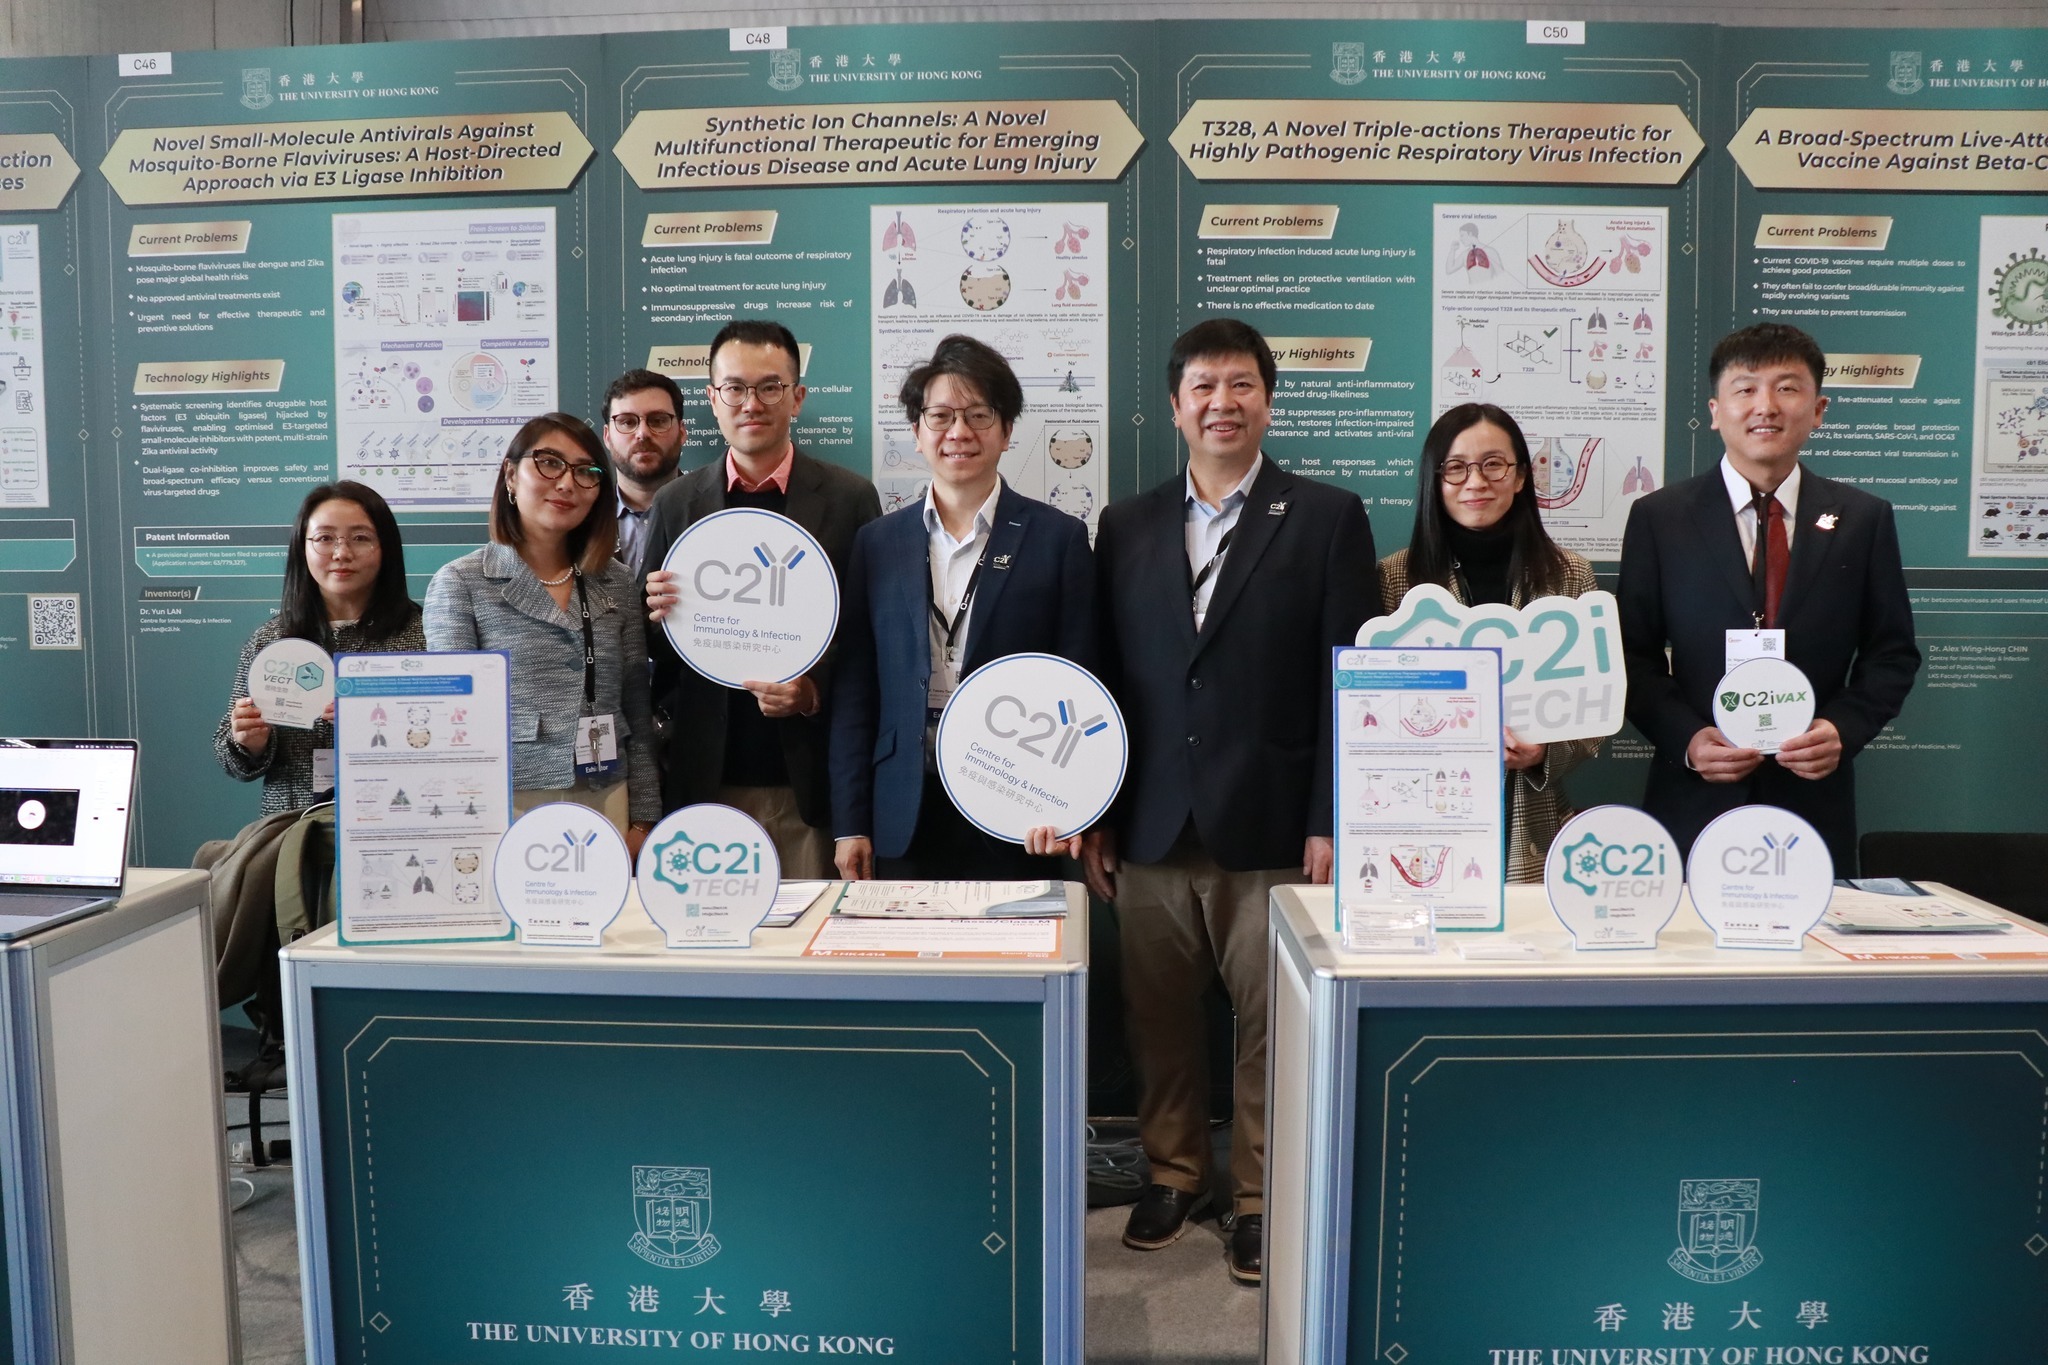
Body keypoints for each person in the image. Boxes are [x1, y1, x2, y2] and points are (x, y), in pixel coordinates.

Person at [1084, 318, 1375, 1284]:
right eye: (1203, 386)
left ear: (1267, 398)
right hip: (1153, 818)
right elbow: (1103, 683)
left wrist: (1331, 814)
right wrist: (1097, 810)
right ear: (1174, 406)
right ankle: (1173, 1175)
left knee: (1268, 1023)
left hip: (1277, 816)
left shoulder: (1328, 516)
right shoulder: (1123, 523)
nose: (1222, 401)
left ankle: (1254, 1194)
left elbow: (1349, 681)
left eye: (1241, 383)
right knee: (1157, 1018)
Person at [1618, 322, 1920, 873]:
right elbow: (1630, 654)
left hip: (1811, 798)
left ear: (1819, 408)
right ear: (1715, 410)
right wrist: (1686, 739)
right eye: (1746, 388)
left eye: (1787, 387)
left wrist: (1840, 731)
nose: (1766, 406)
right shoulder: (1660, 519)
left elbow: (1892, 655)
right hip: (1694, 798)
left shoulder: (1862, 519)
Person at [830, 334, 1096, 881]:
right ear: (917, 432)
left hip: (1021, 807)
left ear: (1006, 432)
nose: (959, 433)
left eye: (979, 415)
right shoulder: (877, 543)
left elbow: (1082, 682)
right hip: (903, 806)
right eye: (941, 416)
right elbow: (856, 690)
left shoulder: (1058, 539)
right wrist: (850, 822)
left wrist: (1071, 804)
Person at [641, 320, 880, 878]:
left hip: (810, 789)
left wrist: (813, 690)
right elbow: (652, 642)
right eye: (735, 389)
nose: (752, 403)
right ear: (713, 401)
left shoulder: (848, 498)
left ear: (796, 397)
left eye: (770, 387)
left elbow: (870, 636)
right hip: (706, 780)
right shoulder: (677, 502)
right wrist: (655, 613)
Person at [1379, 403, 1602, 882]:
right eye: (1456, 468)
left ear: (1521, 476)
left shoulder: (1571, 576)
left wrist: (1546, 751)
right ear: (1434, 481)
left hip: (1532, 818)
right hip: (1421, 816)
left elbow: (1598, 707)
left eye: (1494, 465)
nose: (1476, 483)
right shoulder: (1395, 579)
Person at [425, 413, 660, 855]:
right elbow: (450, 724)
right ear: (511, 476)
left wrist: (645, 819)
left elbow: (636, 706)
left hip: (609, 797)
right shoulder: (462, 583)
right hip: (505, 806)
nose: (567, 484)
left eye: (586, 472)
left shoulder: (617, 582)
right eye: (550, 463)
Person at [216, 481, 426, 814]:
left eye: (360, 538)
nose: (342, 553)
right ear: (303, 547)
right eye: (325, 538)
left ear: (385, 548)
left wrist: (375, 726)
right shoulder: (269, 641)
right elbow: (231, 761)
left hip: (395, 823)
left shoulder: (426, 636)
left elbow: (449, 741)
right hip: (292, 834)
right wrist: (248, 744)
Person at [602, 368, 688, 576]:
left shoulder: (712, 514)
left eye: (658, 420)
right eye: (627, 422)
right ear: (607, 437)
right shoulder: (581, 518)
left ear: (682, 432)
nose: (642, 433)